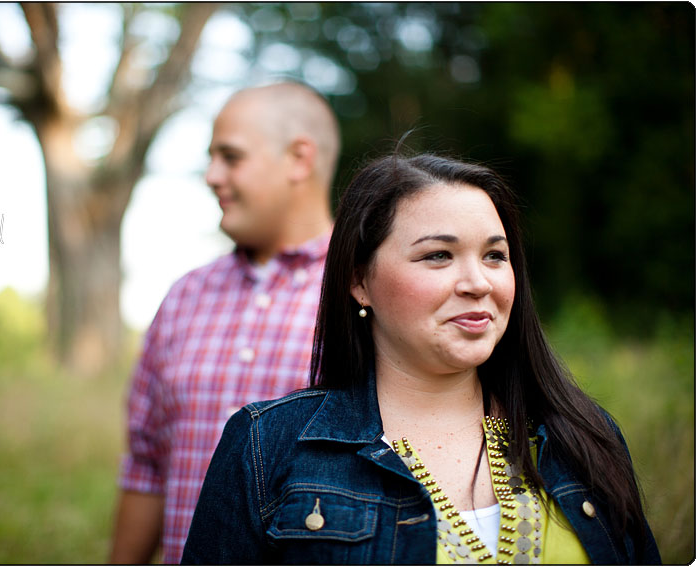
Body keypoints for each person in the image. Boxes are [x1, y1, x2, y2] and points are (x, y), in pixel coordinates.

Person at [182, 152, 661, 564]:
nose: (478, 283)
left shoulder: (582, 436)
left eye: (495, 256)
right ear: (359, 281)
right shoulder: (268, 445)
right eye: (438, 256)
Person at [108, 82, 340, 564]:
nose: (212, 176)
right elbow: (147, 467)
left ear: (299, 159)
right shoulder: (183, 297)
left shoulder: (366, 292)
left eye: (230, 157)